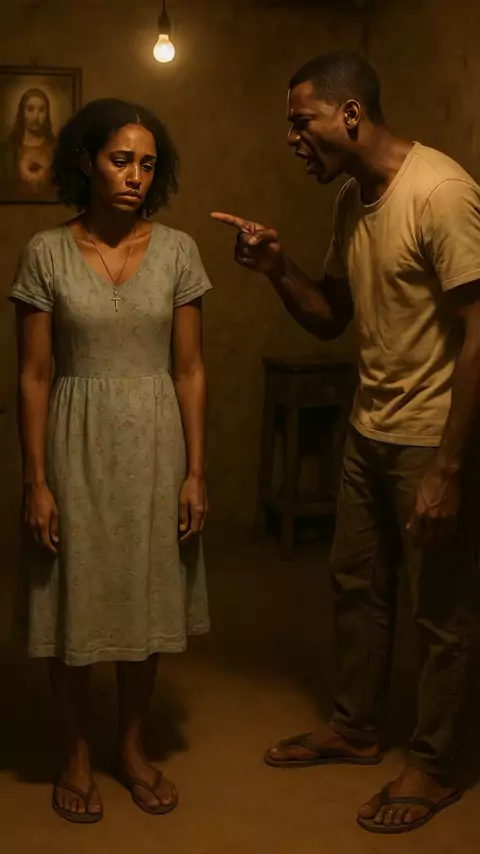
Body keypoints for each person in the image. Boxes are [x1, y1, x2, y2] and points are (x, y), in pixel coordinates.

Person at [212, 50, 480, 835]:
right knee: (356, 586)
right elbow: (332, 316)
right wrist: (276, 268)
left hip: (432, 438)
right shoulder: (352, 200)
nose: (292, 138)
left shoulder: (441, 191)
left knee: (442, 611)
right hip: (370, 431)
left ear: (350, 115)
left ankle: (434, 765)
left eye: (302, 122)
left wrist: (449, 468)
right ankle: (357, 729)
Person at [12, 98, 212, 823]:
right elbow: (34, 375)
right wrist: (35, 479)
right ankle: (73, 752)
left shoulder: (179, 251)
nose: (134, 176)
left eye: (147, 165)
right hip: (75, 443)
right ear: (87, 162)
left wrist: (196, 471)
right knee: (73, 595)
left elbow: (189, 370)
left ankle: (129, 747)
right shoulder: (46, 252)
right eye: (120, 159)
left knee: (145, 592)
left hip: (157, 445)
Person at [1, 88, 56, 197]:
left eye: (41, 110)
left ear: (47, 114)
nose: (36, 116)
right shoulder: (6, 151)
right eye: (30, 109)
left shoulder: (57, 149)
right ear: (22, 112)